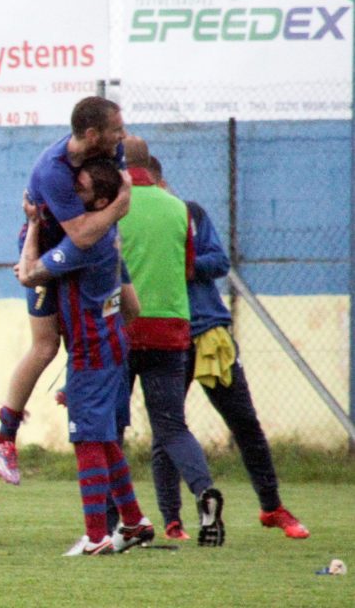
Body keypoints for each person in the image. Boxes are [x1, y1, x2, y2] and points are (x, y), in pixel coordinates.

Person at [144, 157, 309, 541]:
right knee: (167, 430)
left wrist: (186, 264)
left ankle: (272, 507)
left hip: (209, 334)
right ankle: (172, 520)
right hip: (168, 337)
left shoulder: (189, 214)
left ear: (162, 183)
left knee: (245, 423)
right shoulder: (132, 222)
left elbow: (219, 260)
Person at [0, 96, 131, 485]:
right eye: (116, 129)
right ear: (92, 134)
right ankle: (4, 436)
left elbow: (115, 198)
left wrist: (115, 212)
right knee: (46, 344)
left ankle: (82, 381)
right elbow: (81, 233)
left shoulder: (113, 151)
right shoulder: (52, 171)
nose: (123, 136)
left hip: (97, 245)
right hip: (51, 252)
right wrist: (118, 208)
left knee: (129, 308)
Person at [16, 159, 154, 555]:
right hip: (108, 346)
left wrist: (34, 226)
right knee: (104, 438)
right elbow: (133, 308)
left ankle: (96, 537)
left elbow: (28, 274)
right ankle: (133, 521)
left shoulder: (83, 242)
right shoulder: (107, 234)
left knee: (87, 440)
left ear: (101, 201)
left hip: (92, 351)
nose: (71, 195)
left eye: (81, 190)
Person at [118, 136, 224, 547]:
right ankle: (204, 490)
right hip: (172, 329)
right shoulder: (179, 208)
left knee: (111, 427)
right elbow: (187, 268)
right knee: (173, 427)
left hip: (124, 327)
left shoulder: (112, 207)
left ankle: (112, 521)